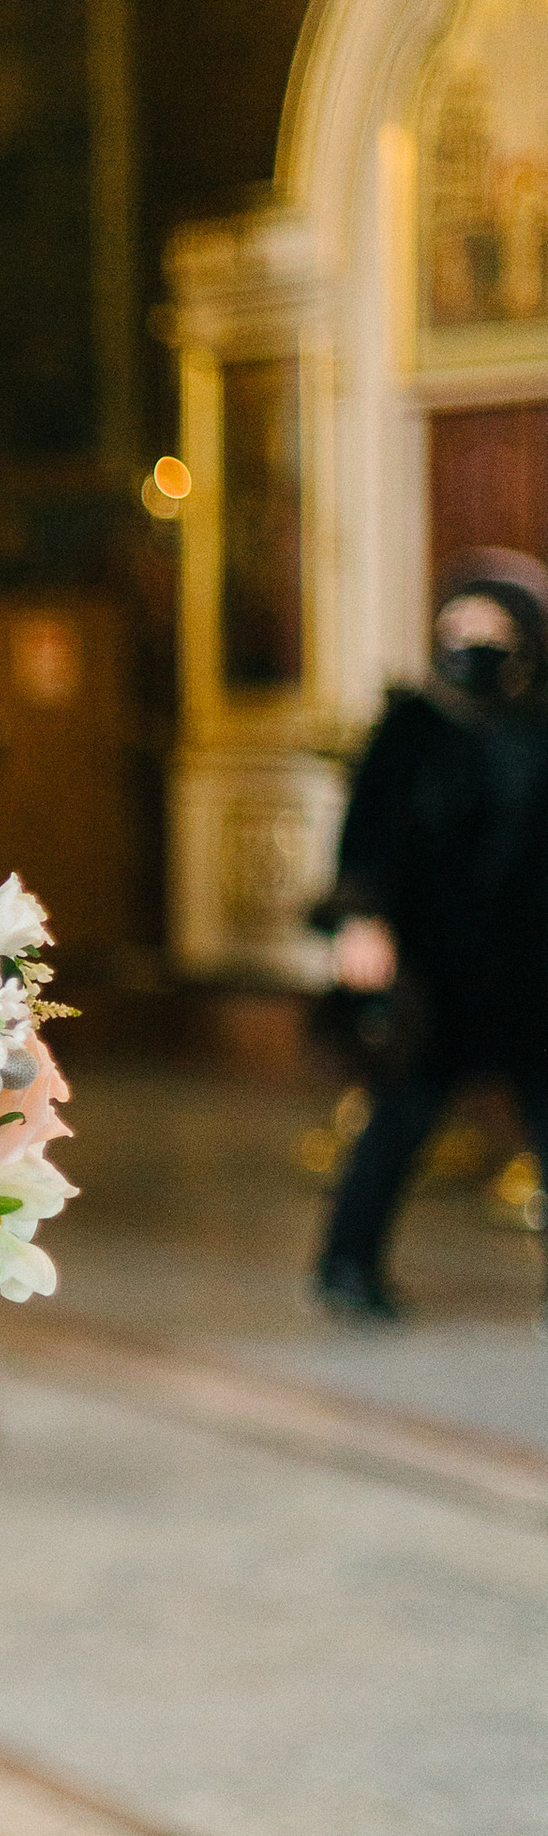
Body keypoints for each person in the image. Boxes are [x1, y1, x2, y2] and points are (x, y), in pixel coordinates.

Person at [315, 548, 548, 1321]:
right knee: (405, 1115)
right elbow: (368, 833)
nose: (476, 644)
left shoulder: (541, 722)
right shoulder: (411, 724)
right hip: (431, 960)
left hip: (531, 959)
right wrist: (360, 921)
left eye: (494, 629)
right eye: (462, 625)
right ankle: (348, 1264)